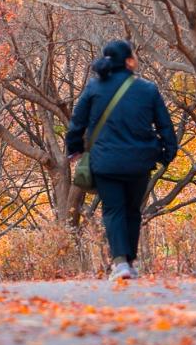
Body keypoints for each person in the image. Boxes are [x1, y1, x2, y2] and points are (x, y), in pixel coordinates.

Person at [66, 39, 178, 280]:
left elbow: (77, 122)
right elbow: (165, 125)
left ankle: (121, 264)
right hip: (140, 160)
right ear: (128, 60)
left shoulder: (94, 88)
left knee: (114, 209)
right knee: (132, 211)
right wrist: (168, 153)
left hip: (105, 161)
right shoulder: (147, 89)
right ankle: (130, 261)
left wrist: (74, 149)